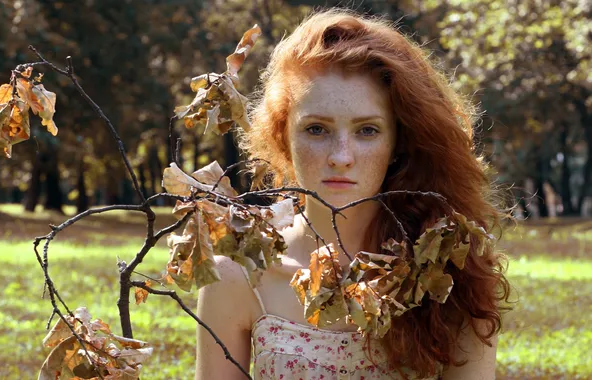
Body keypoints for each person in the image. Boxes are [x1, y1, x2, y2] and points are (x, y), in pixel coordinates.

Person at [195, 8, 511, 380]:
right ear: (284, 136)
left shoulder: (451, 273)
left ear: (398, 142)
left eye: (367, 131)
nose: (341, 157)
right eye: (316, 129)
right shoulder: (237, 274)